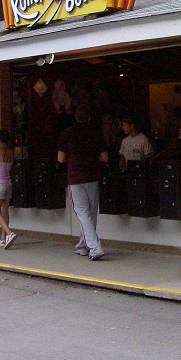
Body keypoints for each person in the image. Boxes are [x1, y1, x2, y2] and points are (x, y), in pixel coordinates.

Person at [58, 104, 108, 260]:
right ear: (89, 117)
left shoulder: (67, 133)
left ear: (75, 117)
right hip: (93, 177)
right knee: (91, 214)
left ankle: (94, 247)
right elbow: (105, 157)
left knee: (82, 213)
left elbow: (60, 158)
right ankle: (82, 245)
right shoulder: (96, 133)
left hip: (75, 178)